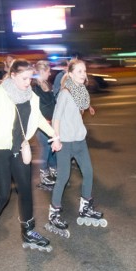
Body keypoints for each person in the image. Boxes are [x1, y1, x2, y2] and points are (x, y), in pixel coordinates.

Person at [0, 59, 61, 261]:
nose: (28, 82)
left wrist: (54, 135)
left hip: (20, 148)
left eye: (30, 78)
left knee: (26, 190)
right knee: (2, 194)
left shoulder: (31, 95)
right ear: (12, 76)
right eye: (24, 78)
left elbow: (37, 118)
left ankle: (28, 231)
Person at [45, 59, 107, 239]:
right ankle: (54, 213)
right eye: (79, 71)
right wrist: (56, 139)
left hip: (80, 140)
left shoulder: (81, 92)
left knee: (88, 172)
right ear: (70, 74)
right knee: (63, 178)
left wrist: (87, 110)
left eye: (84, 71)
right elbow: (56, 118)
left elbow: (80, 109)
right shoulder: (65, 93)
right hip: (65, 142)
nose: (83, 74)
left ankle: (85, 207)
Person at [32, 60, 58, 191]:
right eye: (48, 71)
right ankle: (43, 175)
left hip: (52, 122)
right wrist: (45, 120)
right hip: (42, 124)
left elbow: (53, 101)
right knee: (46, 148)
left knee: (52, 148)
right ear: (42, 71)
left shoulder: (47, 84)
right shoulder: (34, 87)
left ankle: (53, 171)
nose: (50, 73)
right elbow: (37, 107)